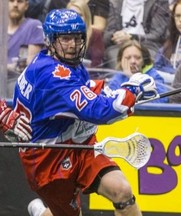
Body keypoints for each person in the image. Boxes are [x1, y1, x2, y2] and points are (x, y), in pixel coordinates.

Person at [14, 9, 157, 216]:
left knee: (122, 191)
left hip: (78, 143)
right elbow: (100, 112)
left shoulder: (65, 62)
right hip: (47, 161)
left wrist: (121, 91)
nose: (72, 45)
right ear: (50, 40)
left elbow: (86, 90)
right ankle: (41, 213)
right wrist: (132, 91)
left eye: (77, 38)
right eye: (65, 39)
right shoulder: (51, 76)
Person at [103, 0, 170, 68]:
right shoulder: (116, 2)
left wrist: (132, 37)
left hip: (148, 45)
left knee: (142, 58)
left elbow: (157, 35)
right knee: (115, 57)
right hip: (120, 46)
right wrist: (115, 36)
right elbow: (107, 35)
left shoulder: (159, 2)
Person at [8, 0, 44, 98]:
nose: (15, 5)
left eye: (20, 1)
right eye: (11, 1)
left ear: (26, 5)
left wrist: (7, 67)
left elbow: (30, 63)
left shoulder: (34, 26)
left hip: (19, 82)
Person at [67, 0, 105, 68]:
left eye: (80, 15)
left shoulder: (95, 34)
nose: (76, 18)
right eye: (72, 14)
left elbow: (97, 63)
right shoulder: (59, 33)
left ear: (86, 17)